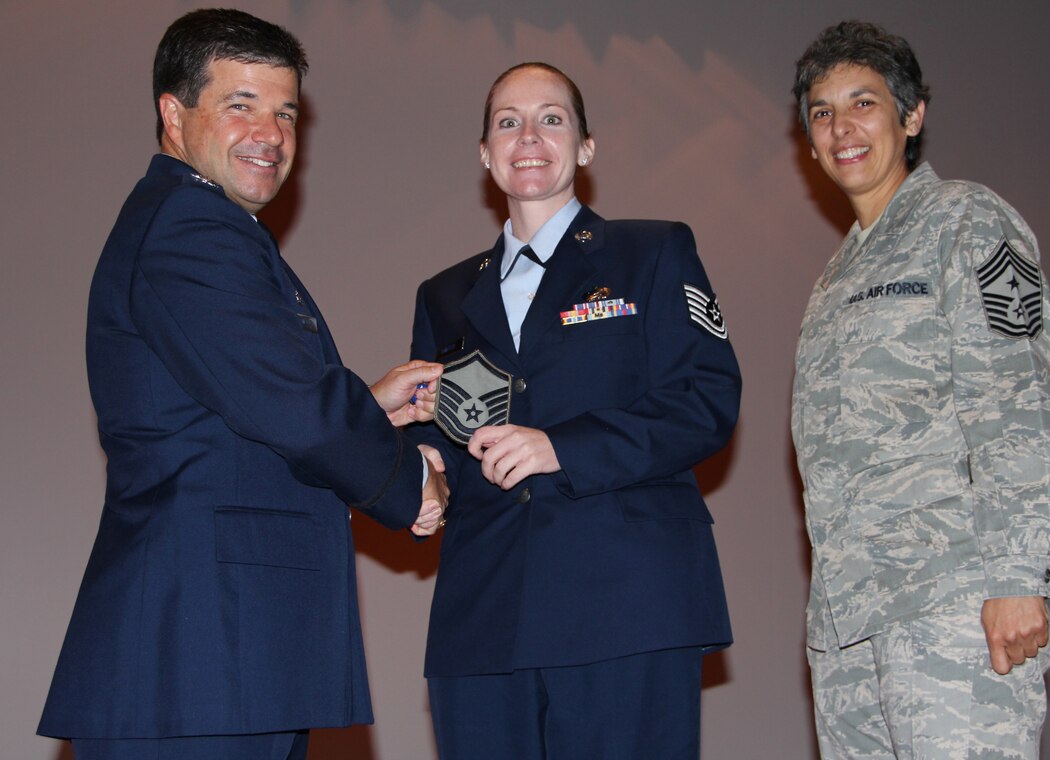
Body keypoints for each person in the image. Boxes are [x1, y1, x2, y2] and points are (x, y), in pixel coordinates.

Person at [37, 9, 447, 759]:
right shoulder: (191, 226)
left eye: (285, 112)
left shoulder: (195, 222)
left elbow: (244, 397)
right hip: (203, 652)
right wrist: (409, 477)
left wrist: (365, 404)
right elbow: (295, 408)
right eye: (240, 105)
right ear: (173, 112)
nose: (271, 133)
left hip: (225, 657)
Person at [407, 62, 741, 759]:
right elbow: (442, 434)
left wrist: (564, 446)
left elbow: (705, 399)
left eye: (551, 118)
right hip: (484, 615)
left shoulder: (651, 252)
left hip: (626, 603)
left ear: (586, 146)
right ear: (484, 152)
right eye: (508, 121)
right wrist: (423, 473)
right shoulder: (442, 296)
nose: (529, 135)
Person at [790, 21, 1050, 759]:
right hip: (849, 627)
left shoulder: (967, 221)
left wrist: (1017, 575)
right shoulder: (833, 280)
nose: (840, 127)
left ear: (911, 117)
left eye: (863, 103)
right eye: (821, 112)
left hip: (952, 601)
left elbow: (1024, 404)